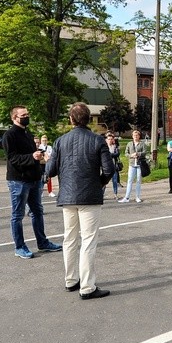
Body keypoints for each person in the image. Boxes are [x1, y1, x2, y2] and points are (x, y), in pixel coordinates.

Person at [45, 103, 114, 299]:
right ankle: (87, 287)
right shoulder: (97, 140)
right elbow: (109, 170)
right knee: (88, 241)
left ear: (71, 119)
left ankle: (71, 280)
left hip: (67, 196)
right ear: (88, 119)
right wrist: (99, 184)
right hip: (89, 196)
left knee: (69, 239)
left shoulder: (60, 141)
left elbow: (50, 171)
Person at [2, 106, 62, 258]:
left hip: (34, 179)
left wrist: (38, 157)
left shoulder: (28, 134)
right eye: (23, 115)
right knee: (18, 215)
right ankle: (19, 247)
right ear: (14, 118)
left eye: (27, 114)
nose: (26, 117)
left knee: (37, 211)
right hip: (18, 180)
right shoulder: (9, 135)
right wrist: (31, 157)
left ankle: (42, 242)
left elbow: (31, 154)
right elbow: (12, 158)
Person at [119, 130, 146, 203]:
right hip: (132, 164)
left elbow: (144, 152)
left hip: (139, 164)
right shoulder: (129, 144)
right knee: (130, 180)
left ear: (139, 136)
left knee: (138, 181)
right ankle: (127, 197)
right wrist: (131, 155)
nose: (135, 136)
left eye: (137, 135)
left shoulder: (142, 144)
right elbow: (126, 153)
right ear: (132, 136)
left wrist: (138, 154)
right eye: (134, 135)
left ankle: (137, 197)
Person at [105, 133, 121, 199]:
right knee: (104, 181)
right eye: (109, 139)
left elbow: (117, 154)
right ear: (106, 140)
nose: (110, 140)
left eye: (111, 139)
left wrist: (110, 155)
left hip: (114, 166)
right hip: (106, 166)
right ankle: (101, 194)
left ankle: (115, 194)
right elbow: (104, 155)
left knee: (115, 181)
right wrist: (111, 154)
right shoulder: (104, 147)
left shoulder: (115, 147)